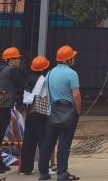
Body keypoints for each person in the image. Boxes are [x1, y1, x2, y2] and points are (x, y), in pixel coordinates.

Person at [40, 46, 82, 181]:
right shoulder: (72, 74)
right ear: (68, 60)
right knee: (64, 143)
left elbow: (46, 92)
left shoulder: (50, 73)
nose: (74, 59)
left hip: (53, 111)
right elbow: (76, 95)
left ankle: (43, 172)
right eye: (73, 57)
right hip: (68, 111)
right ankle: (62, 173)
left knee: (48, 142)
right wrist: (78, 111)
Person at [0, 47, 26, 174]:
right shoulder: (12, 70)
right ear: (11, 60)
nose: (20, 61)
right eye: (18, 58)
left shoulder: (0, 69)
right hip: (3, 107)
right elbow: (22, 84)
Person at [19, 56, 51, 176]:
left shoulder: (29, 78)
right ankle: (44, 168)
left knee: (28, 140)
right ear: (44, 69)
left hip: (29, 111)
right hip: (40, 111)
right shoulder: (43, 79)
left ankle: (26, 168)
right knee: (43, 141)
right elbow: (46, 95)